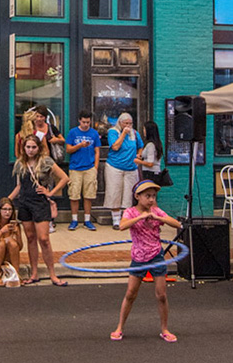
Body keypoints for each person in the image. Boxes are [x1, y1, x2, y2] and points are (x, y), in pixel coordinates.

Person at [110, 180, 181, 342]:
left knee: (161, 294)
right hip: (138, 257)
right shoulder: (130, 212)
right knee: (130, 294)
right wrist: (140, 218)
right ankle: (119, 327)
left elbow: (177, 224)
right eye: (147, 196)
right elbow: (122, 226)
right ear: (137, 196)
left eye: (154, 196)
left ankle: (164, 329)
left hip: (156, 257)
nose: (151, 200)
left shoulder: (156, 211)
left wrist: (157, 216)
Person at [9, 133, 68, 285]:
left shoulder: (46, 162)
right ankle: (34, 272)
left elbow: (64, 178)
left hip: (40, 202)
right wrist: (8, 200)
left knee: (44, 239)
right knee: (30, 237)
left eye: (33, 147)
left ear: (39, 148)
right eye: (28, 147)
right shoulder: (20, 163)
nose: (30, 150)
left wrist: (50, 192)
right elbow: (19, 186)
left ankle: (52, 274)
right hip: (24, 202)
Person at [64, 111, 102, 231]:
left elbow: (97, 151)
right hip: (75, 168)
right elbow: (68, 150)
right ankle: (74, 219)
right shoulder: (73, 132)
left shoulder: (94, 133)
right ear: (79, 121)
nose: (86, 124)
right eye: (84, 122)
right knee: (74, 195)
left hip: (89, 167)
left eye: (88, 122)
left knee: (89, 195)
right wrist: (80, 145)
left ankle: (87, 220)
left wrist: (95, 167)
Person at [103, 111, 140, 228]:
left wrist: (139, 155)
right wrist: (123, 134)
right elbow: (115, 147)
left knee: (129, 194)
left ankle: (126, 218)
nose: (128, 126)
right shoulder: (113, 132)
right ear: (120, 123)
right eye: (125, 123)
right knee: (115, 192)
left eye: (130, 123)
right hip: (115, 166)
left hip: (131, 167)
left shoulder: (134, 133)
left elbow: (140, 147)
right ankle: (116, 219)